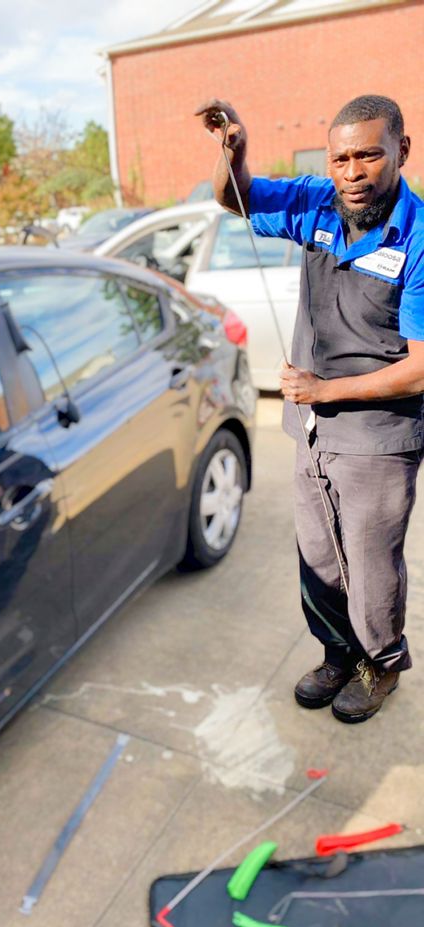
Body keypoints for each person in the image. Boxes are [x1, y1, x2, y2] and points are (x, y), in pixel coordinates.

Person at [196, 94, 424, 723]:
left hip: (378, 437)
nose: (352, 172)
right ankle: (337, 653)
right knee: (319, 554)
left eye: (368, 156)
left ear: (402, 151)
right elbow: (235, 198)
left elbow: (421, 365)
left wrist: (325, 390)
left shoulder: (418, 237)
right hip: (313, 429)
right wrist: (234, 152)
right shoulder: (317, 202)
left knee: (371, 563)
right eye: (340, 159)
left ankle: (381, 664)